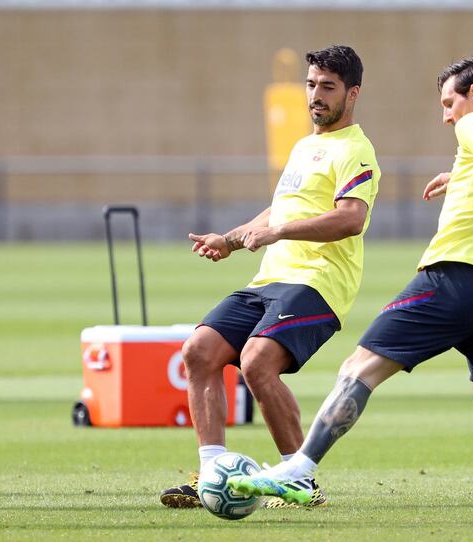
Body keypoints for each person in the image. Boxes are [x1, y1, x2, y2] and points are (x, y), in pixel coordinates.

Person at [228, 56, 473, 519]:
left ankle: (301, 467)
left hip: (451, 277)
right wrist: (461, 177)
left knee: (360, 367)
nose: (446, 115)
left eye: (449, 102)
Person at [159, 44, 380, 510]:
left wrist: (279, 230)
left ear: (352, 93)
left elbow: (351, 218)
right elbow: (280, 211)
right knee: (198, 351)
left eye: (328, 87)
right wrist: (231, 239)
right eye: (311, 85)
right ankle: (213, 472)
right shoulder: (304, 146)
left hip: (318, 282)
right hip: (270, 279)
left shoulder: (356, 151)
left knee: (257, 361)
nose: (315, 96)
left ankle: (299, 477)